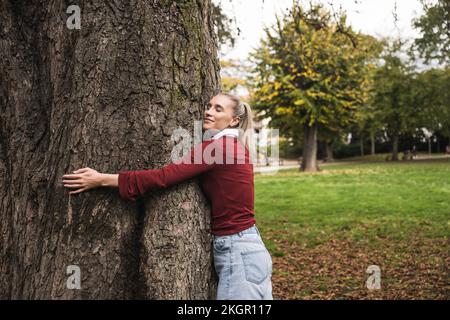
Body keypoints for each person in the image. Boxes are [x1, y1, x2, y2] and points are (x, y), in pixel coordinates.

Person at [61, 93, 273, 300]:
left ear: (234, 120)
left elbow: (163, 177)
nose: (208, 112)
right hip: (249, 248)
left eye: (218, 109)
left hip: (239, 250)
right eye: (209, 106)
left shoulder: (218, 147)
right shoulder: (233, 146)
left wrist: (101, 179)